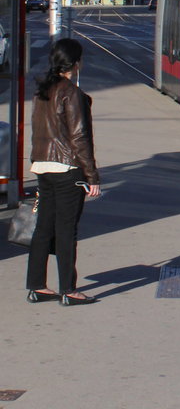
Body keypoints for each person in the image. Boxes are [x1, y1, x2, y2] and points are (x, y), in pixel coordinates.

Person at [26, 38, 101, 307]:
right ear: (76, 64)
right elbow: (80, 138)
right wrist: (92, 177)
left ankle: (37, 286)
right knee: (67, 230)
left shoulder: (42, 90)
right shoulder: (71, 93)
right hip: (67, 169)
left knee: (44, 228)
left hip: (42, 166)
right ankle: (69, 290)